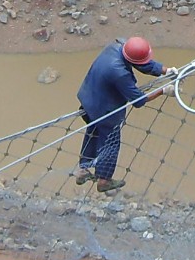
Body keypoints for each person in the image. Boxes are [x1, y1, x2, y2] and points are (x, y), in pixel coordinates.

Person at [74, 37, 178, 193]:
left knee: (93, 133)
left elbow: (140, 62)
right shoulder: (119, 73)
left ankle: (83, 169)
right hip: (105, 111)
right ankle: (104, 180)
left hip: (88, 100)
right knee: (110, 143)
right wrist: (163, 91)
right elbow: (139, 101)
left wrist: (165, 70)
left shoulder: (115, 47)